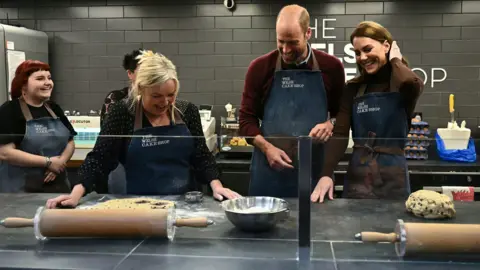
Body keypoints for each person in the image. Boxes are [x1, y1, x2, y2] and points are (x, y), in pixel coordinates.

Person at [46, 50, 240, 208]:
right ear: (140, 89)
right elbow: (100, 158)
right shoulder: (124, 111)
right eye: (156, 96)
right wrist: (76, 194)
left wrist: (217, 185)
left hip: (184, 204)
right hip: (135, 205)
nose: (165, 102)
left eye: (171, 95)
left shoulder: (186, 110)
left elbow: (201, 155)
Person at [238, 4, 346, 198]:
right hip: (269, 172)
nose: (286, 50)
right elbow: (246, 121)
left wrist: (331, 123)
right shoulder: (260, 68)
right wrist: (267, 148)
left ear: (308, 33)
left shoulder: (332, 67)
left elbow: (343, 116)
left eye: (293, 42)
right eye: (281, 41)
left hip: (314, 172)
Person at [311, 21, 424, 202]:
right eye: (357, 53)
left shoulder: (402, 85)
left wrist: (395, 59)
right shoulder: (354, 88)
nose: (362, 57)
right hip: (359, 173)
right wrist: (326, 173)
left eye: (367, 49)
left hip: (393, 175)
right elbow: (340, 134)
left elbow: (413, 83)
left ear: (386, 45)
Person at [0, 60, 77, 193]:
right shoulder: (10, 110)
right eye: (40, 78)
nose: (48, 82)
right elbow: (5, 152)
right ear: (23, 84)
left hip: (58, 187)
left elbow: (70, 142)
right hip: (20, 190)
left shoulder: (54, 108)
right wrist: (48, 162)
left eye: (49, 78)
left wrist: (59, 163)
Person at [99, 49, 143, 194]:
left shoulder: (163, 99)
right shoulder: (116, 99)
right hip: (120, 164)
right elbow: (108, 142)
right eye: (142, 70)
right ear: (130, 74)